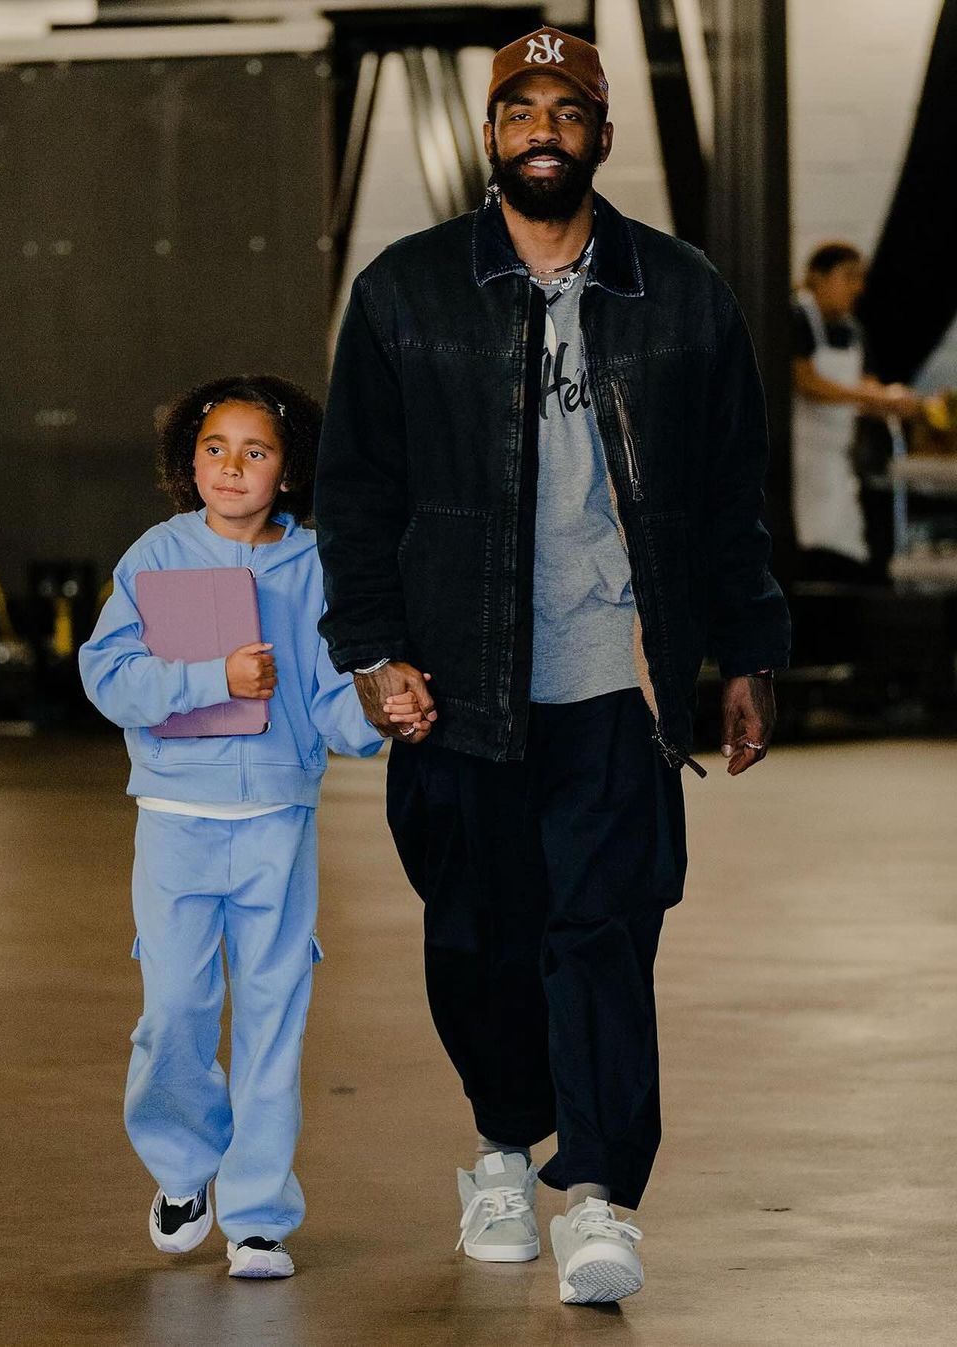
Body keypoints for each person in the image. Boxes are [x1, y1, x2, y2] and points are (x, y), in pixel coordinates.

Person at [315, 27, 791, 1306]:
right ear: (489, 135)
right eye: (519, 109)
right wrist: (367, 652)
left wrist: (746, 649)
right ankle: (500, 1153)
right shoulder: (405, 293)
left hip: (614, 679)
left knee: (603, 933)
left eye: (566, 111)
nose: (542, 129)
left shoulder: (682, 293)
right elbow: (353, 494)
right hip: (456, 682)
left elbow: (730, 491)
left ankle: (603, 1197)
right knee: (475, 936)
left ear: (600, 136)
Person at [79, 375, 419, 1279]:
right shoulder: (154, 556)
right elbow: (109, 677)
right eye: (214, 449)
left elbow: (326, 698)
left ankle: (260, 1214)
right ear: (188, 463)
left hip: (277, 821)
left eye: (255, 451)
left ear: (290, 467)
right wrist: (209, 679)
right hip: (176, 819)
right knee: (175, 1010)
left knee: (276, 1014)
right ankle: (184, 1172)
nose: (232, 467)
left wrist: (378, 717)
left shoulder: (314, 566)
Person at [792, 240, 920, 581]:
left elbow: (867, 386)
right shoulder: (796, 317)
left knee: (843, 551)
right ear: (816, 277)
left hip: (837, 463)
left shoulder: (852, 330)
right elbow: (806, 381)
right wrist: (874, 398)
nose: (857, 288)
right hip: (798, 463)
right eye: (848, 277)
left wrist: (902, 402)